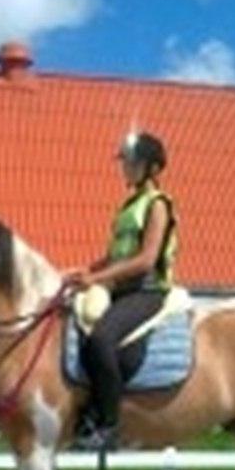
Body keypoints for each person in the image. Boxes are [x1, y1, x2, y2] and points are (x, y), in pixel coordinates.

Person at [64, 131, 179, 451]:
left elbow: (145, 261)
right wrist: (86, 272)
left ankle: (111, 427)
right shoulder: (128, 207)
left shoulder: (157, 205)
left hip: (148, 291)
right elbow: (116, 256)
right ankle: (87, 411)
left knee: (102, 339)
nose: (124, 167)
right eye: (125, 162)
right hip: (120, 291)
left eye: (131, 162)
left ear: (152, 168)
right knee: (80, 327)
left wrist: (98, 279)